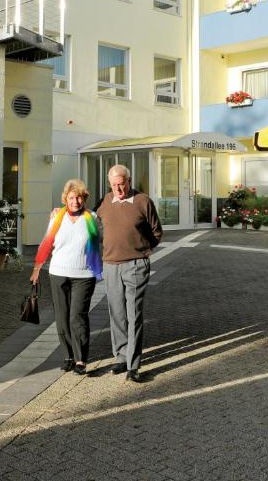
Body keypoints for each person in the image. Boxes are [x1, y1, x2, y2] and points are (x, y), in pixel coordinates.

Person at [96, 164, 163, 383]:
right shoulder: (105, 202)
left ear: (129, 181)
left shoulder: (143, 201)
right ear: (110, 184)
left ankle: (133, 365)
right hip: (111, 265)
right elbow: (91, 224)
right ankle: (121, 356)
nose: (118, 189)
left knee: (133, 314)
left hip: (135, 265)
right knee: (116, 312)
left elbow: (156, 231)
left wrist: (142, 251)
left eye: (121, 184)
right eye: (114, 185)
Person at [31, 179, 103, 376]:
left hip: (84, 275)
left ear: (84, 198)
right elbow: (46, 243)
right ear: (65, 199)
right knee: (62, 318)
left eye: (79, 197)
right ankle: (68, 356)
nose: (75, 201)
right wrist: (37, 268)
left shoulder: (92, 218)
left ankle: (81, 359)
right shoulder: (56, 217)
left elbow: (103, 241)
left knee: (77, 316)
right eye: (72, 197)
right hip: (58, 273)